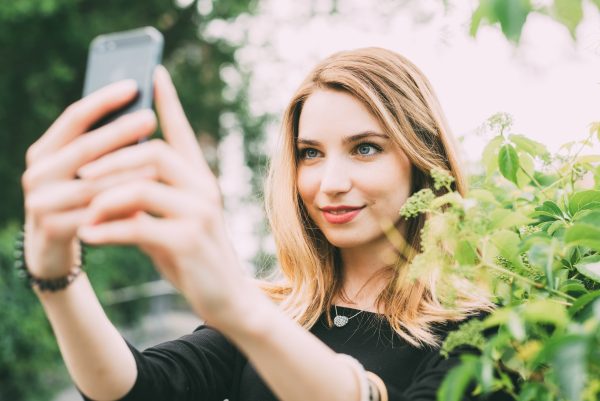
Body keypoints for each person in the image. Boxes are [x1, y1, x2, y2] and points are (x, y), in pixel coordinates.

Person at [20, 47, 502, 401]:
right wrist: (57, 277)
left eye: (365, 148)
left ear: (423, 160)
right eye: (310, 153)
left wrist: (240, 310)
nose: (329, 182)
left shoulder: (481, 330)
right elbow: (136, 387)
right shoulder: (274, 313)